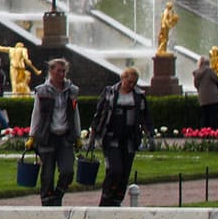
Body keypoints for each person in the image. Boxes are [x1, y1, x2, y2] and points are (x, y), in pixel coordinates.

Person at [92, 67, 151, 207]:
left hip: (130, 138)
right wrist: (94, 135)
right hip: (111, 137)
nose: (132, 85)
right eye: (129, 82)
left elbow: (145, 117)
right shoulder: (110, 92)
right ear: (122, 78)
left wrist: (150, 134)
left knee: (125, 172)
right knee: (115, 169)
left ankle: (117, 200)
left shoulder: (139, 96)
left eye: (134, 83)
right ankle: (106, 199)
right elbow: (99, 113)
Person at [29, 57, 82, 206]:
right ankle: (47, 201)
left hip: (65, 136)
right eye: (58, 71)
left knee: (68, 171)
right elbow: (36, 114)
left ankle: (58, 194)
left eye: (63, 71)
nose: (61, 74)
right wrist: (32, 136)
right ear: (51, 71)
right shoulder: (42, 91)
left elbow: (75, 114)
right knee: (47, 172)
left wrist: (77, 136)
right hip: (47, 135)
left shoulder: (71, 91)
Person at [193, 54, 218, 128]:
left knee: (204, 116)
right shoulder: (209, 70)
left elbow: (196, 85)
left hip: (202, 97)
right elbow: (216, 79)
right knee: (212, 116)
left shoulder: (196, 72)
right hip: (213, 97)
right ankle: (212, 133)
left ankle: (204, 133)